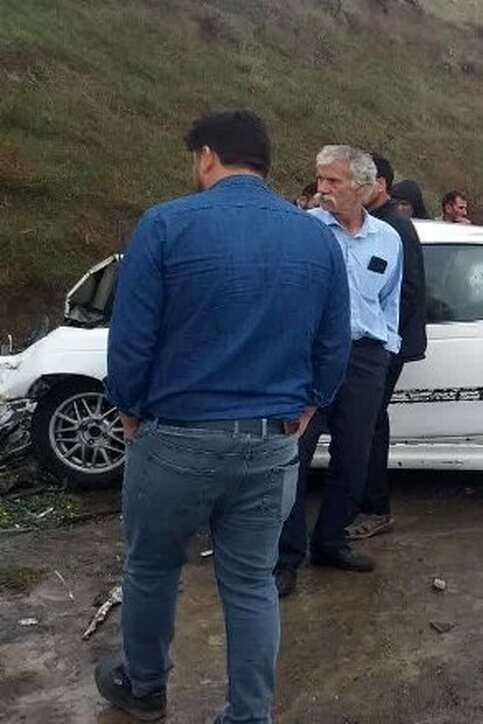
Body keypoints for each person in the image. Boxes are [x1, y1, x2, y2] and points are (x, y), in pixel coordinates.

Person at [98, 110, 350, 723]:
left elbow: (131, 340)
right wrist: (309, 401)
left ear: (208, 157)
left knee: (154, 567)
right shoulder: (316, 237)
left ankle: (146, 686)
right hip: (269, 446)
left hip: (175, 438)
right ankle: (248, 715)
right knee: (251, 582)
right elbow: (334, 342)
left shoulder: (165, 226)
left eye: (195, 159)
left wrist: (130, 410)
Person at [276, 146, 403, 596]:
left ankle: (330, 541)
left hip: (366, 359)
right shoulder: (304, 230)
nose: (323, 189)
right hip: (310, 358)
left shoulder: (388, 238)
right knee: (292, 456)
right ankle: (285, 558)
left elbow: (390, 300)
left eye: (333, 181)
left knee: (355, 457)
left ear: (363, 188)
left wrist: (387, 346)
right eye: (320, 180)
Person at [348, 153, 428, 543]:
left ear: (380, 185)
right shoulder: (372, 223)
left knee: (371, 424)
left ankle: (375, 508)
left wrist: (381, 339)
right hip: (375, 343)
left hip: (383, 345)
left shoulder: (394, 228)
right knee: (366, 424)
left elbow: (407, 292)